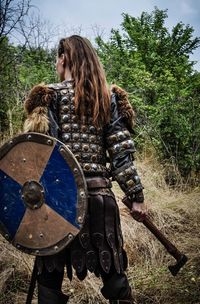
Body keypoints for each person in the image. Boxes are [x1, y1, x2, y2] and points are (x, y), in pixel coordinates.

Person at [23, 35, 146, 304]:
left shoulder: (47, 98)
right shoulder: (109, 97)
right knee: (114, 277)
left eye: (57, 58)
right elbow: (121, 153)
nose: (56, 64)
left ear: (64, 58)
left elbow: (36, 160)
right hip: (99, 199)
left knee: (49, 282)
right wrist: (136, 195)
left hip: (57, 203)